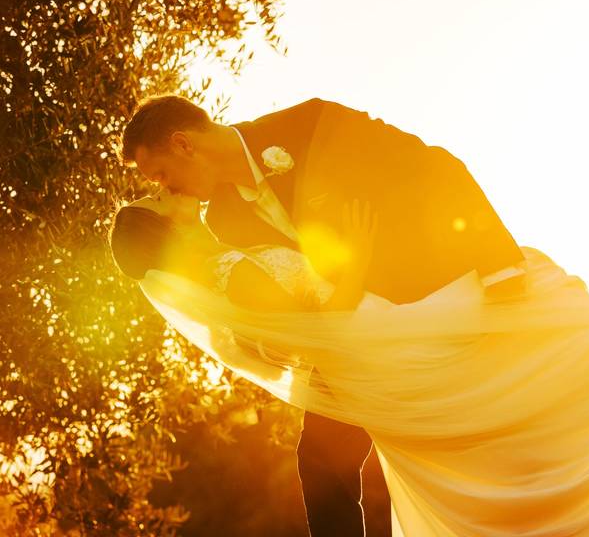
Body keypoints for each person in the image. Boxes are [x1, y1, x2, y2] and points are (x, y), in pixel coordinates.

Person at [119, 94, 529, 536]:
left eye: (160, 175)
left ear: (183, 144)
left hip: (427, 299)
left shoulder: (311, 124)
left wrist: (497, 267)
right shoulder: (222, 221)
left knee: (503, 429)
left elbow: (431, 167)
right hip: (352, 337)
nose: (165, 188)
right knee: (322, 466)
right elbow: (290, 315)